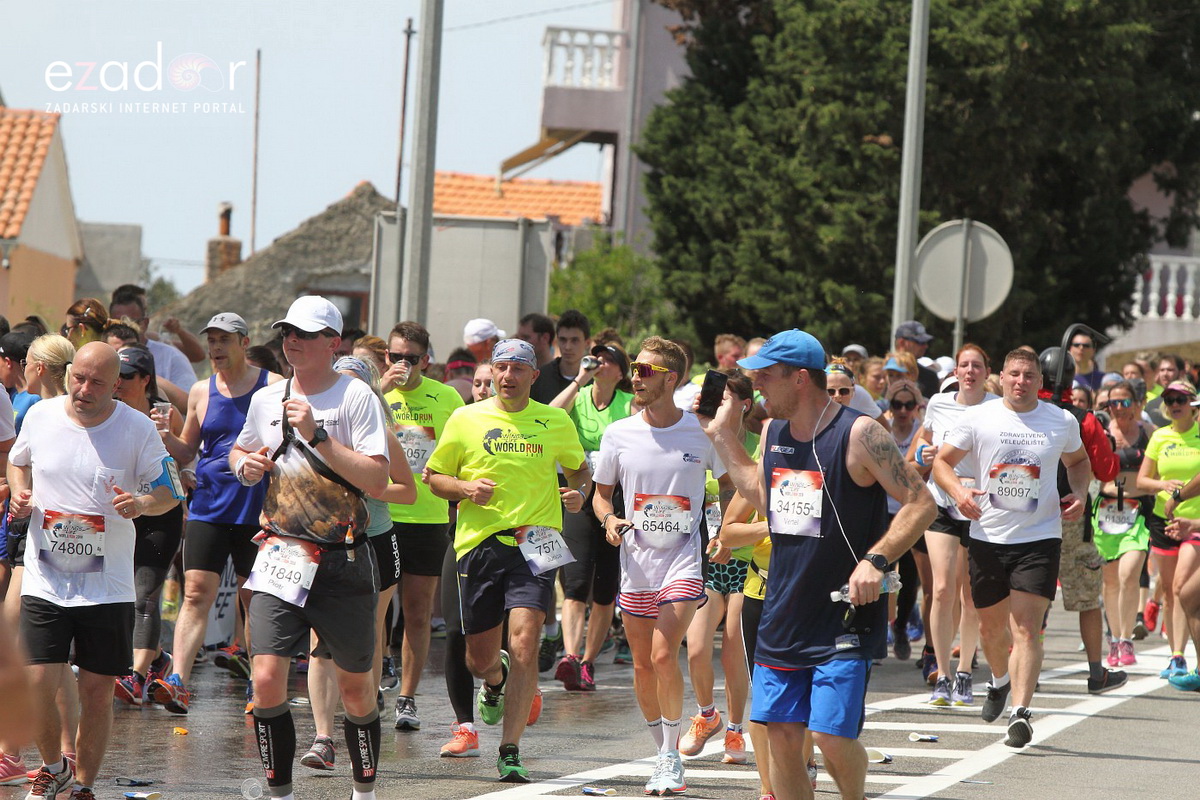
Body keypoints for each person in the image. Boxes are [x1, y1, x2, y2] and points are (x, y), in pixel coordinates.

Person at [698, 328, 936, 800]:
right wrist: (723, 435)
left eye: (766, 376)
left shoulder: (861, 432)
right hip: (784, 611)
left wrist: (876, 558)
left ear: (800, 378)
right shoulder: (774, 431)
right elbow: (764, 495)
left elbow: (921, 503)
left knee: (829, 736)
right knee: (783, 739)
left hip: (843, 613)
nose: (758, 386)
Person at [230, 296, 391, 800]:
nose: (291, 340)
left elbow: (379, 478)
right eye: (286, 332)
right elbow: (241, 447)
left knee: (355, 690)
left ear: (333, 343)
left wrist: (316, 434)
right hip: (282, 556)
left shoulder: (355, 397)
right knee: (266, 678)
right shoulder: (265, 398)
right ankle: (281, 794)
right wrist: (244, 466)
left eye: (303, 333)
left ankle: (363, 792)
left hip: (344, 561)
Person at [10, 342, 180, 800]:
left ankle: (84, 785)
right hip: (46, 574)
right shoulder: (42, 416)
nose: (84, 390)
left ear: (117, 385)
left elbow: (170, 491)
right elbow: (17, 460)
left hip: (107, 586)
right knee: (37, 683)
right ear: (67, 374)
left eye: (97, 383)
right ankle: (52, 766)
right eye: (78, 379)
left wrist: (142, 502)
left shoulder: (138, 428)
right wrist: (20, 493)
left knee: (98, 693)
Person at [426, 338, 590, 783]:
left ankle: (510, 749)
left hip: (535, 542)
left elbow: (579, 469)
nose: (508, 376)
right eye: (501, 367)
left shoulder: (554, 421)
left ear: (534, 376)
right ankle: (494, 683)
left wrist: (579, 494)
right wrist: (464, 489)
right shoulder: (465, 418)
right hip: (479, 545)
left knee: (524, 641)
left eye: (518, 368)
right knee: (479, 659)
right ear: (492, 372)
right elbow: (434, 476)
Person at [933, 348, 1091, 749]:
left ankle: (1020, 713)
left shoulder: (1060, 420)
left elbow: (1079, 462)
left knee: (1026, 628)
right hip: (987, 536)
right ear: (1000, 378)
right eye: (1015, 374)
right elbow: (941, 464)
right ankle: (999, 681)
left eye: (1029, 375)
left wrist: (1079, 492)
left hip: (1040, 537)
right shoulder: (978, 418)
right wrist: (958, 492)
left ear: (1041, 381)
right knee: (990, 629)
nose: (1021, 381)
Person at [592, 336, 730, 796]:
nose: (635, 376)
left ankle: (671, 757)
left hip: (683, 558)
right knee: (641, 665)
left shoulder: (700, 432)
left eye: (645, 370)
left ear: (670, 378)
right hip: (635, 561)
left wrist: (726, 531)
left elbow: (733, 484)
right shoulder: (619, 433)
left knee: (662, 653)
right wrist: (609, 519)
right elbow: (600, 495)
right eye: (634, 367)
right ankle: (662, 751)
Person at [152, 313, 281, 715]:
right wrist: (166, 435)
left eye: (225, 340)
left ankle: (259, 686)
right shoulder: (200, 390)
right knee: (194, 593)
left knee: (253, 597)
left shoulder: (273, 386)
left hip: (257, 506)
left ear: (245, 342)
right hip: (209, 503)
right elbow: (189, 450)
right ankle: (178, 681)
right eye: (211, 341)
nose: (216, 349)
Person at [301, 355, 416, 772]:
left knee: (364, 634)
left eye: (352, 386)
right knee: (321, 640)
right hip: (324, 541)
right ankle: (323, 737)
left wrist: (368, 487)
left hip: (374, 541)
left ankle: (360, 724)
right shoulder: (311, 431)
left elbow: (408, 492)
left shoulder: (381, 432)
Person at [380, 321, 464, 733]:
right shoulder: (373, 395)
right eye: (395, 357)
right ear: (386, 357)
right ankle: (375, 676)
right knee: (374, 609)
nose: (402, 366)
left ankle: (407, 698)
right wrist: (380, 388)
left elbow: (460, 453)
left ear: (426, 362)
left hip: (427, 518)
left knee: (417, 611)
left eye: (411, 359)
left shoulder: (446, 397)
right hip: (381, 514)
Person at [908, 345, 996, 704]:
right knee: (942, 589)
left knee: (971, 595)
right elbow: (921, 442)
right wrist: (920, 454)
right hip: (942, 500)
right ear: (956, 371)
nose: (970, 371)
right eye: (964, 365)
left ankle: (964, 673)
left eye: (977, 365)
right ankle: (942, 673)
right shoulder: (939, 404)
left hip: (979, 505)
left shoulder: (997, 409)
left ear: (987, 371)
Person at [1037, 346, 1126, 697]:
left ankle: (1024, 665)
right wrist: (1108, 443)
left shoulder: (1027, 412)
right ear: (1072, 380)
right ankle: (1095, 671)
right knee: (1087, 597)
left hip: (1030, 515)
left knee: (1031, 595)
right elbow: (1107, 470)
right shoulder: (1083, 419)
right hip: (1072, 516)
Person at [680, 369, 756, 764]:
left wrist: (732, 538)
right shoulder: (701, 441)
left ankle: (736, 731)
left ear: (744, 405)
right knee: (695, 649)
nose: (717, 405)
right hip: (707, 562)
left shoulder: (760, 447)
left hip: (747, 562)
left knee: (733, 651)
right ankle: (707, 716)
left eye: (725, 398)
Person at [548, 342, 633, 692]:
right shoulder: (579, 397)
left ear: (620, 372)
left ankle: (588, 662)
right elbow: (551, 413)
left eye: (608, 360)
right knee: (576, 580)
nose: (600, 364)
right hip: (581, 498)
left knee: (604, 588)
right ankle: (570, 656)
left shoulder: (629, 405)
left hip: (616, 501)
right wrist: (578, 381)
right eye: (596, 358)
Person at [110, 346, 185, 708]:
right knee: (122, 599)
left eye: (126, 376)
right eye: (116, 375)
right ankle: (157, 659)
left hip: (160, 515)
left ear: (145, 380)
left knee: (145, 597)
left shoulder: (164, 414)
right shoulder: (107, 411)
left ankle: (136, 677)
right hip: (120, 515)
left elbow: (185, 462)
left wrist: (167, 437)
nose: (118, 383)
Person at [1136, 379, 1200, 680]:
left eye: (1181, 400)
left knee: (1180, 587)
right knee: (1172, 591)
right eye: (1170, 399)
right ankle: (1177, 656)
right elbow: (1141, 481)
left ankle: (1191, 657)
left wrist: (1183, 495)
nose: (1175, 405)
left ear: (1192, 403)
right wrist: (1163, 485)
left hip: (1195, 524)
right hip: (1165, 521)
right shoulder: (1160, 437)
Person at [1093, 380, 1151, 666]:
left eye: (1125, 402)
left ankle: (1127, 639)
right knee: (1110, 581)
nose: (1118, 409)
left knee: (1129, 575)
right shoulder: (1101, 432)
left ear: (1136, 404)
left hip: (1139, 511)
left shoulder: (1147, 432)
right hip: (1105, 511)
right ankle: (1114, 639)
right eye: (1112, 403)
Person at [108, 285, 196, 390]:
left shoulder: (171, 357)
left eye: (131, 323)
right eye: (117, 324)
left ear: (144, 323)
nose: (124, 330)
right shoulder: (101, 356)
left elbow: (188, 401)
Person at [893, 321, 940, 400]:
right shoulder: (880, 373)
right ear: (902, 343)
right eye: (920, 342)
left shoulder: (930, 377)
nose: (925, 346)